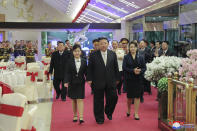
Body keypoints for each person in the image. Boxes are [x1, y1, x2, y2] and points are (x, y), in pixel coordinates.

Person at [87, 37, 119, 124]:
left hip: (111, 80)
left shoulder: (112, 54)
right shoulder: (93, 55)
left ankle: (108, 111)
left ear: (108, 44)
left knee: (114, 97)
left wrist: (117, 78)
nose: (103, 45)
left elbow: (116, 67)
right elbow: (89, 68)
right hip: (97, 81)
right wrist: (89, 79)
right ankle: (99, 118)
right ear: (98, 45)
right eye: (101, 43)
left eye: (105, 43)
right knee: (98, 100)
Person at [123, 41, 146, 120]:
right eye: (131, 47)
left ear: (137, 48)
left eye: (134, 47)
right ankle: (129, 109)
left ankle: (136, 113)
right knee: (129, 97)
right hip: (129, 79)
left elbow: (144, 68)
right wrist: (133, 70)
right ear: (129, 48)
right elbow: (124, 68)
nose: (132, 48)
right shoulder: (126, 57)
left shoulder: (141, 57)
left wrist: (139, 71)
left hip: (138, 79)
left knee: (137, 96)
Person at [64, 44, 87, 124]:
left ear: (80, 52)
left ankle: (81, 117)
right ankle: (75, 115)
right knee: (73, 99)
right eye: (75, 51)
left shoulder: (84, 61)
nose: (77, 53)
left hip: (81, 82)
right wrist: (66, 81)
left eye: (78, 51)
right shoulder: (69, 61)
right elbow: (67, 72)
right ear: (72, 52)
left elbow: (86, 72)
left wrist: (89, 80)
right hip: (72, 82)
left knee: (80, 99)